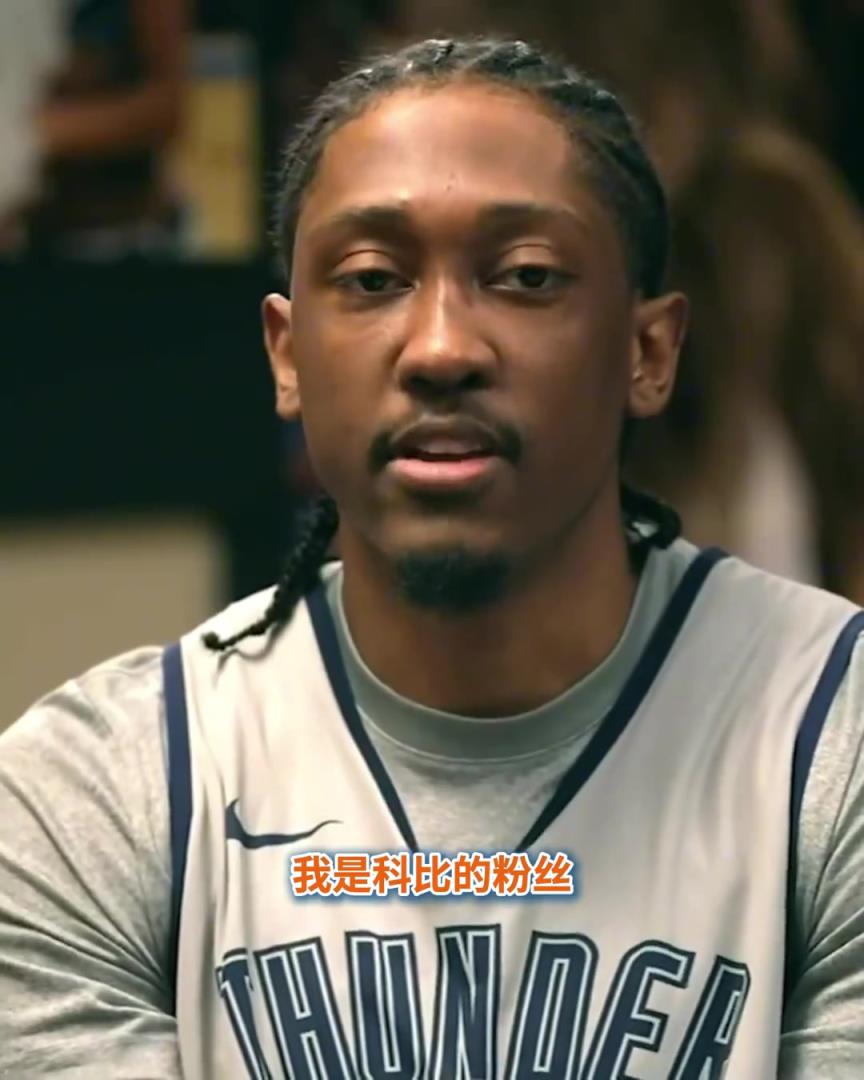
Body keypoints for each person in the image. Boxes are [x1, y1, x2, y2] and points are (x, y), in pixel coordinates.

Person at [2, 36, 864, 1079]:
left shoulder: (832, 733)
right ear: (287, 353)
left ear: (648, 352)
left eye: (526, 276)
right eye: (372, 279)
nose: (443, 348)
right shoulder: (100, 794)